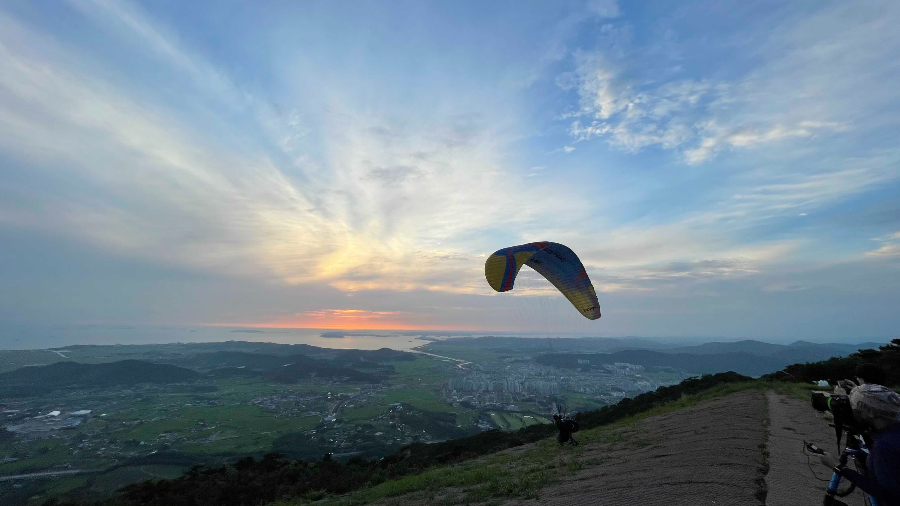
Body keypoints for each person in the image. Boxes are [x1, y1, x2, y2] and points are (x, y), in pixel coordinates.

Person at [820, 384, 900, 506]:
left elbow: (887, 495)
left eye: (856, 407)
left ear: (870, 412)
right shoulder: (892, 431)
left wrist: (838, 467)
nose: (853, 411)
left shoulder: (883, 445)